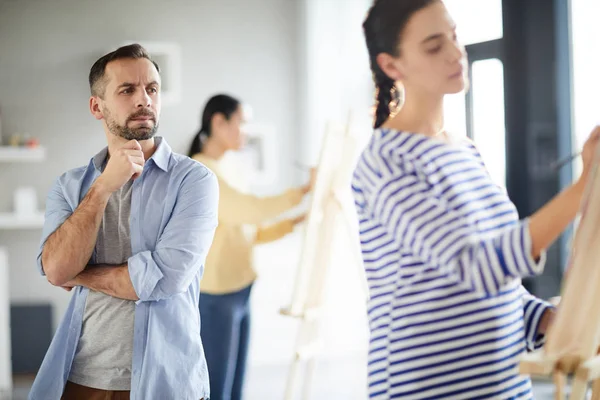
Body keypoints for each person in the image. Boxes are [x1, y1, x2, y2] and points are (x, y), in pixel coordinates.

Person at [352, 0, 600, 399]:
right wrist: (584, 188)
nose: (455, 52)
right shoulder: (385, 163)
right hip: (429, 388)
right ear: (392, 65)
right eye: (434, 46)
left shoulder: (465, 151)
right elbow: (475, 265)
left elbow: (501, 287)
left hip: (504, 385)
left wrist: (556, 322)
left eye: (454, 35)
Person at [29, 44, 217, 400]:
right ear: (96, 107)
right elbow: (55, 267)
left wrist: (79, 274)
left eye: (152, 89)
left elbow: (165, 277)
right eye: (127, 90)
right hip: (81, 377)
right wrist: (102, 189)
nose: (144, 99)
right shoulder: (70, 186)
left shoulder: (195, 181)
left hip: (168, 379)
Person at [188, 94, 313, 400]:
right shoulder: (202, 172)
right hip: (217, 296)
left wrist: (292, 223)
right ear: (218, 122)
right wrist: (304, 190)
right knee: (218, 387)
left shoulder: (226, 167)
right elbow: (251, 210)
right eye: (242, 123)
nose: (246, 131)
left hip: (240, 289)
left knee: (234, 386)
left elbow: (249, 231)